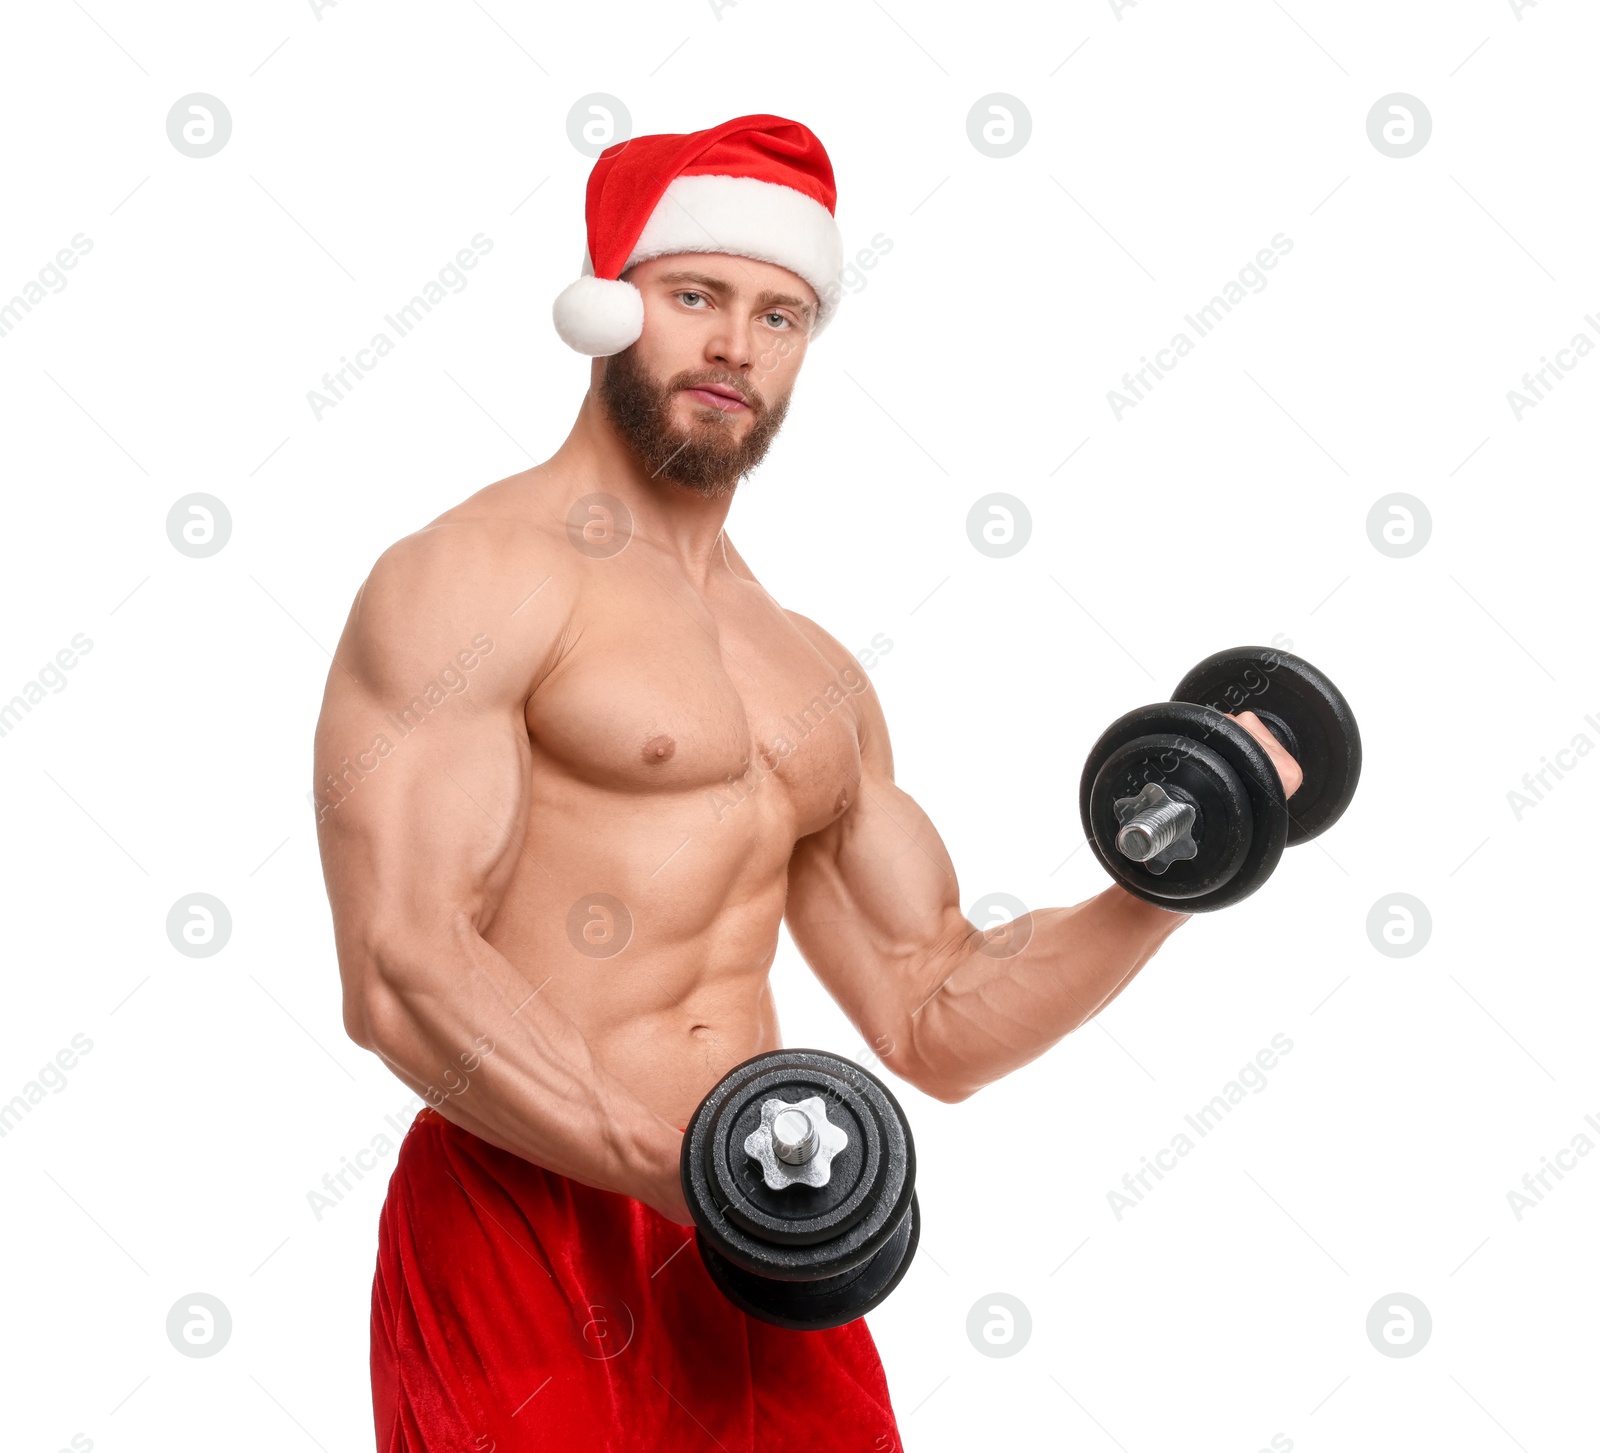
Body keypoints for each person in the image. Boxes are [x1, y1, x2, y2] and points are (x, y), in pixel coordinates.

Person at [313, 113, 1302, 1452]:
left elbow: (934, 1010)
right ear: (614, 310)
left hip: (765, 1225)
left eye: (780, 315)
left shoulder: (808, 672)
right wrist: (698, 1169)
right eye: (697, 296)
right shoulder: (476, 577)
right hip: (535, 1202)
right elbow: (402, 968)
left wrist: (1188, 864)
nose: (736, 344)